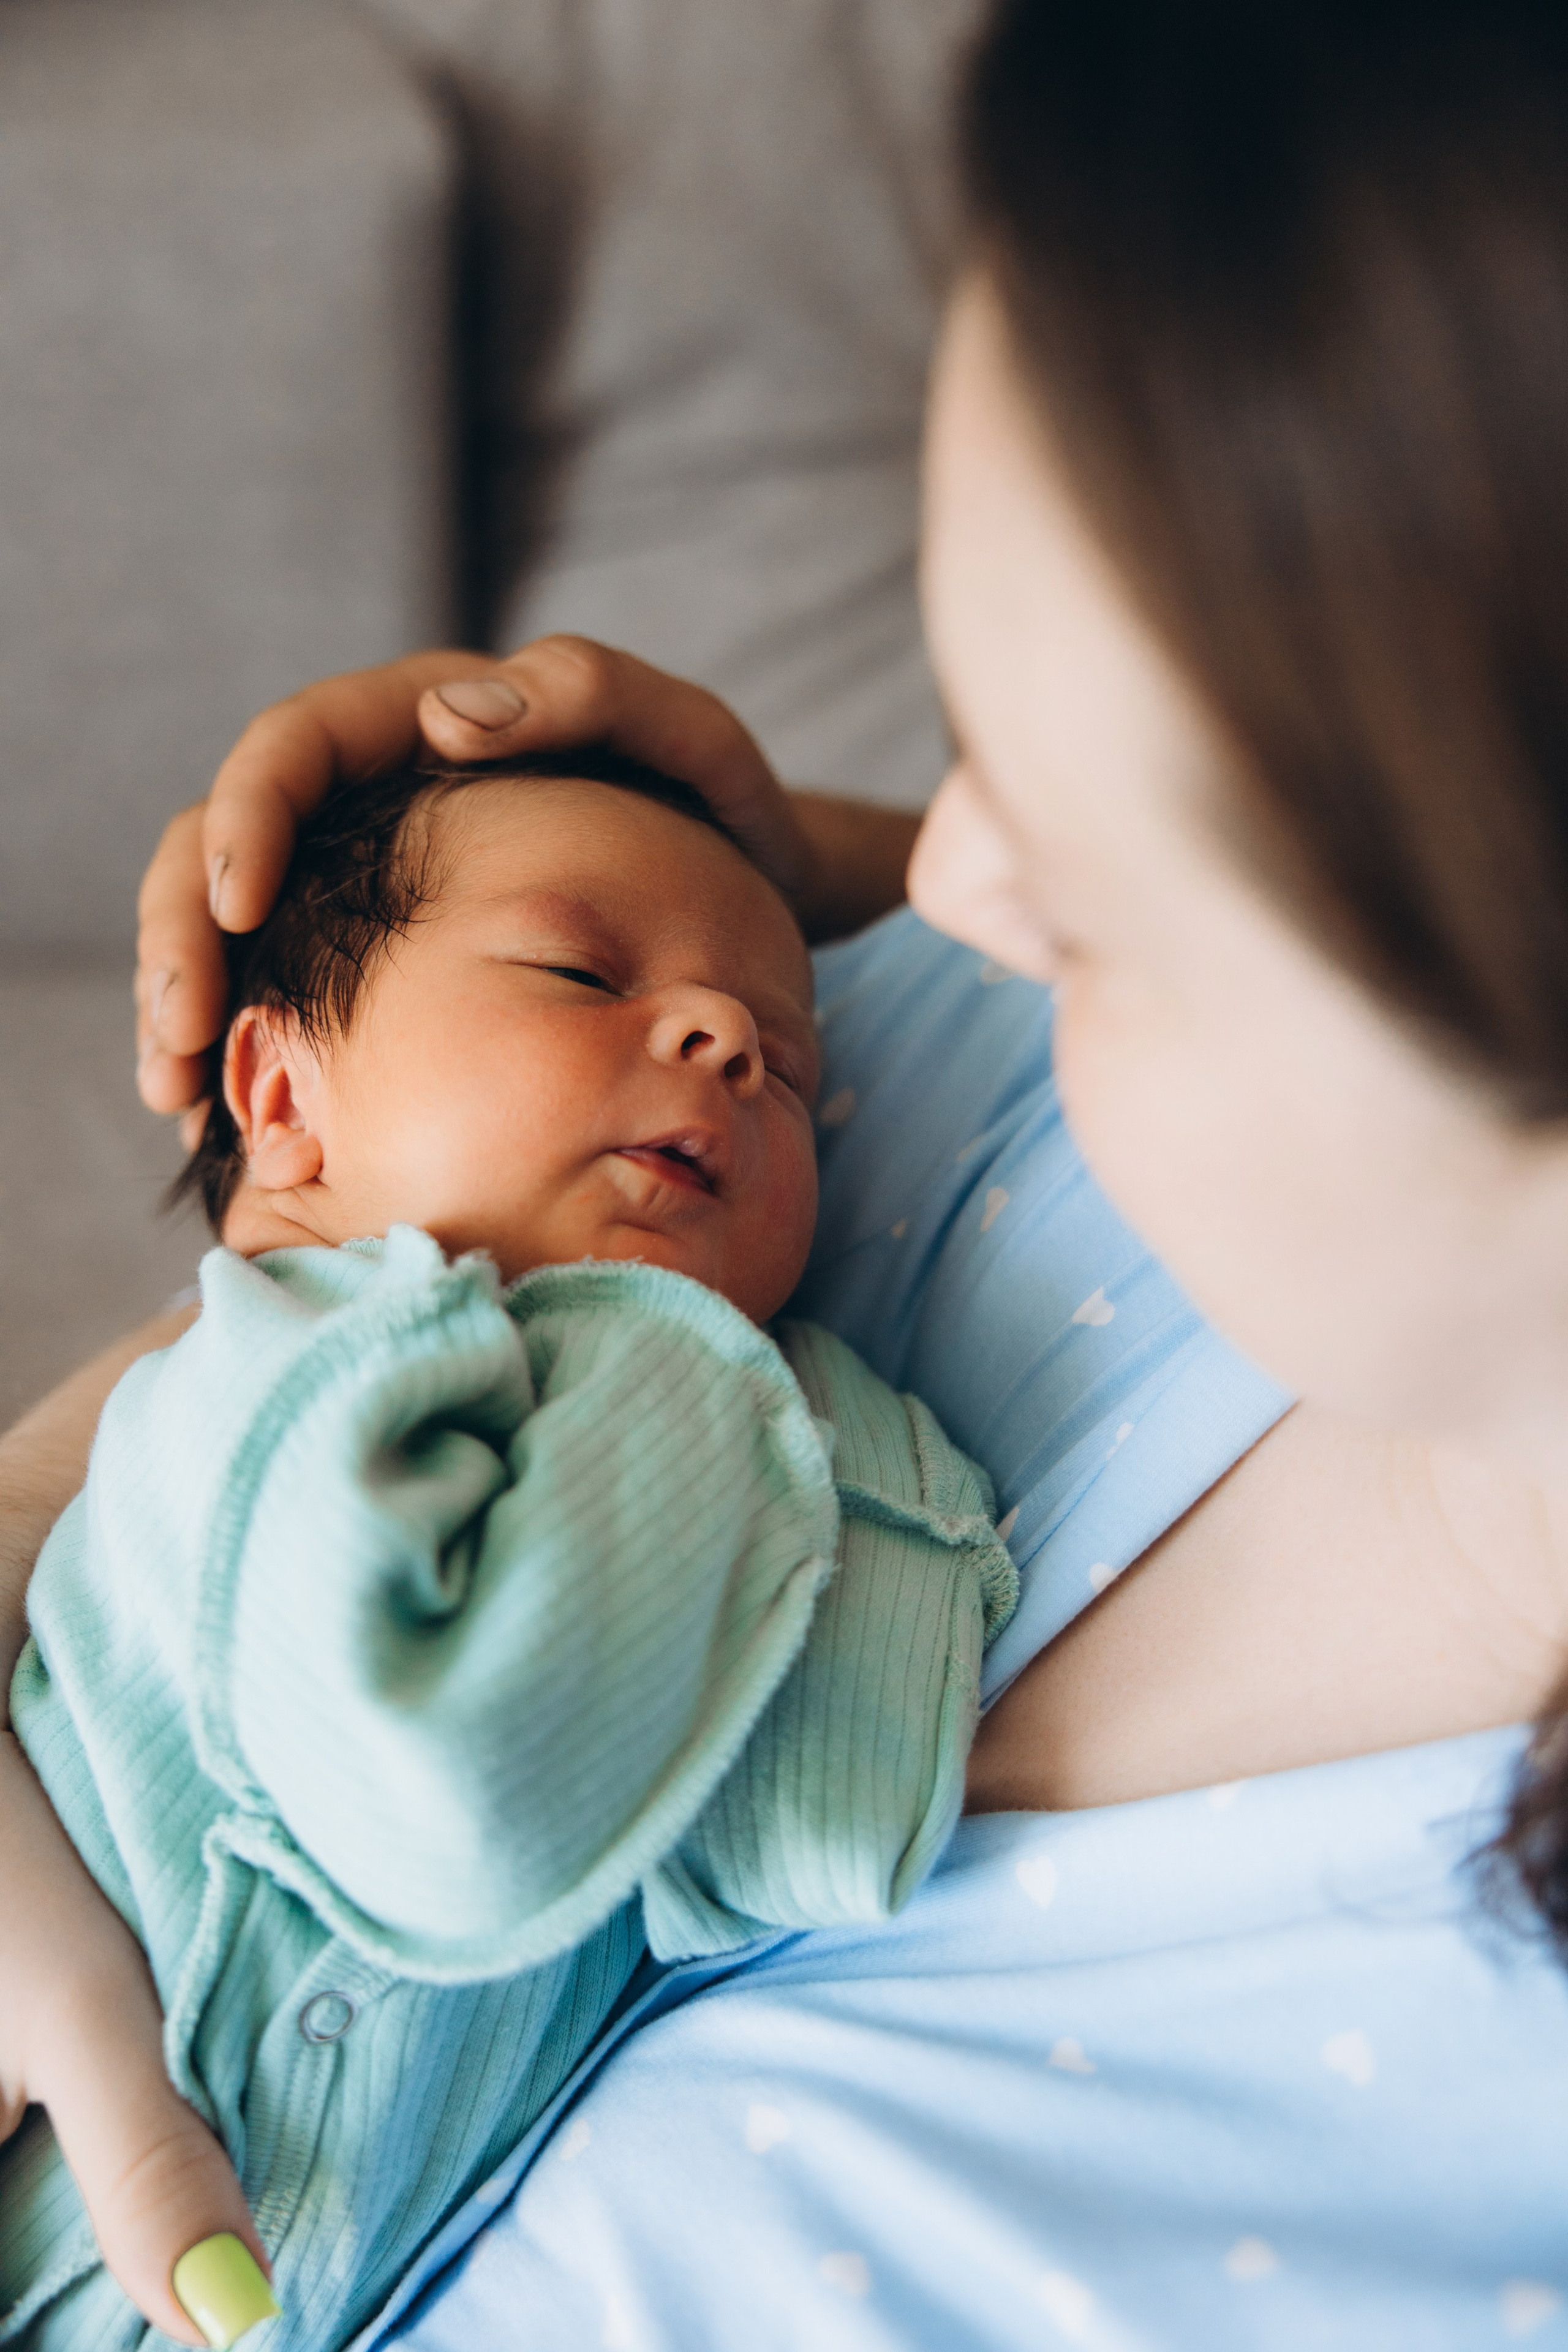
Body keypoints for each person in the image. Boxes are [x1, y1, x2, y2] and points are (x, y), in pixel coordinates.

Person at [5, 0, 1568, 2342]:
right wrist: (746, 876)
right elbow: (227, 1391)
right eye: (954, 744)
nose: (931, 882)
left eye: (1111, 876)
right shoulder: (920, 1077)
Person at [2, 749, 1012, 2351]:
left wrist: (821, 1420)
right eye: (582, 971)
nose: (728, 1040)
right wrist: (725, 1367)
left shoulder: (669, 1441)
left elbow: (825, 1835)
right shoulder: (265, 1382)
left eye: (791, 1070)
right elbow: (458, 1791)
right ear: (281, 1100)